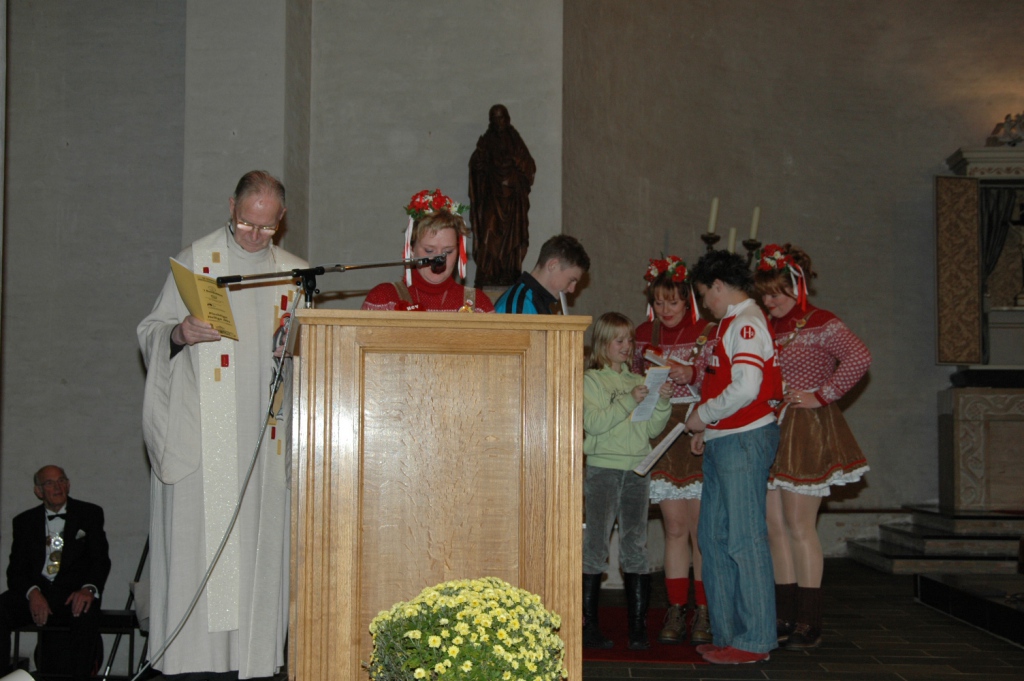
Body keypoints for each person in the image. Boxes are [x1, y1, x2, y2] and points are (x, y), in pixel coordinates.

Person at [138, 170, 307, 680]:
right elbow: (151, 331)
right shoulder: (197, 262)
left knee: (257, 551)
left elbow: (316, 356)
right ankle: (196, 664)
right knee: (206, 552)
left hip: (266, 439)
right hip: (206, 437)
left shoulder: (296, 275)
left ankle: (251, 661)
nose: (254, 236)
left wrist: (298, 350)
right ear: (231, 206)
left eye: (266, 227)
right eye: (246, 223)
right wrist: (179, 333)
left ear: (281, 220)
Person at [754, 243, 871, 649]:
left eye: (776, 293)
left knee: (799, 525)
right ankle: (784, 614)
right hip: (769, 428)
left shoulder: (822, 322)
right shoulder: (765, 326)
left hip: (806, 430)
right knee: (773, 525)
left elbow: (859, 357)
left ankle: (809, 620)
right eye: (764, 295)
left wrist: (821, 395)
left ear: (797, 286)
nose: (770, 302)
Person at [684, 249, 782, 665]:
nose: (704, 303)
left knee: (744, 539)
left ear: (719, 286)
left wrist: (703, 415)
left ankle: (755, 640)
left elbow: (746, 387)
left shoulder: (746, 323)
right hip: (726, 438)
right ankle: (728, 634)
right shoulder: (730, 322)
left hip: (745, 438)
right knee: (713, 538)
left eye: (704, 294)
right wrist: (708, 429)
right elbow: (723, 381)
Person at [631, 256, 716, 646]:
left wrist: (693, 374)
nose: (665, 310)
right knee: (675, 528)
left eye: (673, 302)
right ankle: (676, 608)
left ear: (688, 300)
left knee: (700, 531)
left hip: (697, 428)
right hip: (659, 431)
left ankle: (705, 609)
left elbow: (723, 380)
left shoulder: (707, 331)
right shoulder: (642, 334)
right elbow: (629, 378)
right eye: (658, 302)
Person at [582, 312, 673, 651]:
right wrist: (628, 399)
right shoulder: (591, 380)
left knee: (636, 544)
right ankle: (588, 624)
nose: (626, 346)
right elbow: (593, 423)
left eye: (629, 340)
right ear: (602, 344)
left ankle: (638, 627)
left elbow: (650, 428)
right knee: (596, 544)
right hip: (604, 468)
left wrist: (661, 402)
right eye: (618, 340)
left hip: (637, 468)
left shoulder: (638, 379)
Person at [0, 466, 111, 681]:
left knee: (85, 612)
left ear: (68, 485)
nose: (57, 487)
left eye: (61, 481)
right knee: (1, 608)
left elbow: (100, 560)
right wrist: (33, 593)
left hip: (72, 594)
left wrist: (88, 589)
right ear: (38, 491)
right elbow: (15, 570)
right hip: (38, 593)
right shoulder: (24, 521)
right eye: (49, 483)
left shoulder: (90, 513)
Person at [362, 188, 494, 312]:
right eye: (429, 251)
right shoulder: (384, 299)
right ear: (411, 249)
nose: (439, 259)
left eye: (448, 252)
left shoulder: (478, 305)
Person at [468, 104, 537, 288]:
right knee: (489, 232)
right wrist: (479, 158)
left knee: (512, 236)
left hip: (512, 199)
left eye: (501, 117)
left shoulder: (515, 140)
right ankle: (489, 271)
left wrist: (517, 164)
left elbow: (529, 165)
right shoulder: (486, 141)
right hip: (493, 196)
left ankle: (509, 270)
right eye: (495, 118)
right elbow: (476, 166)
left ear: (507, 119)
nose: (498, 122)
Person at [493, 234, 590, 314]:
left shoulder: (540, 304)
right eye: (572, 280)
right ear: (553, 265)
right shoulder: (518, 305)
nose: (572, 289)